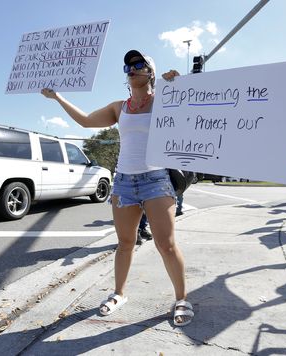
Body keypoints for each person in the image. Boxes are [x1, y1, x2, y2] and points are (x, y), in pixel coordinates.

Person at [41, 50, 194, 326]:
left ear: (150, 71)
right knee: (125, 243)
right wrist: (58, 97)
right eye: (128, 65)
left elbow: (190, 116)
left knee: (166, 245)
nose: (131, 68)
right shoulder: (118, 107)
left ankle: (182, 298)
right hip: (123, 182)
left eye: (138, 64)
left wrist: (178, 86)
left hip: (156, 180)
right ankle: (119, 293)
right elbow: (86, 121)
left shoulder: (165, 101)